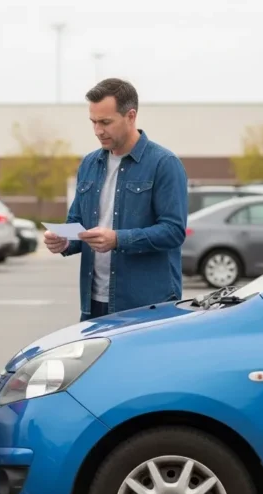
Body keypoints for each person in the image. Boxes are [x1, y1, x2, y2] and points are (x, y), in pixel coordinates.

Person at [44, 78, 188, 320]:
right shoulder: (89, 163)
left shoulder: (164, 164)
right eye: (93, 122)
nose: (98, 130)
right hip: (94, 304)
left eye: (106, 122)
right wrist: (65, 241)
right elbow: (78, 224)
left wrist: (118, 239)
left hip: (146, 306)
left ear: (131, 116)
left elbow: (174, 231)